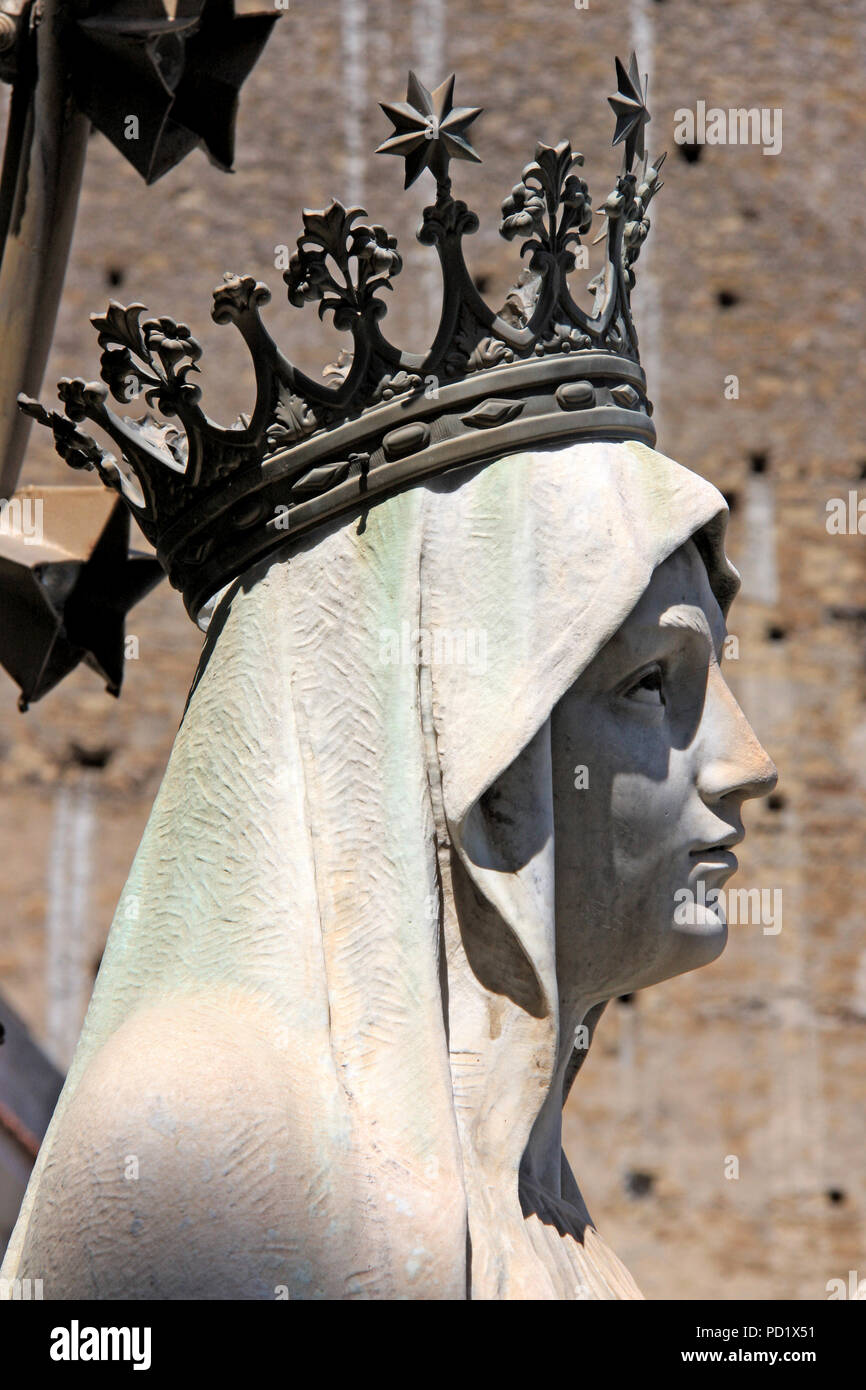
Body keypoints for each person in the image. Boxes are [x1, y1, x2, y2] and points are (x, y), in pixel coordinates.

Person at [1, 436, 777, 1299]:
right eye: (651, 683)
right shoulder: (207, 1127)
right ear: (457, 737)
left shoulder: (546, 1212)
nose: (750, 762)